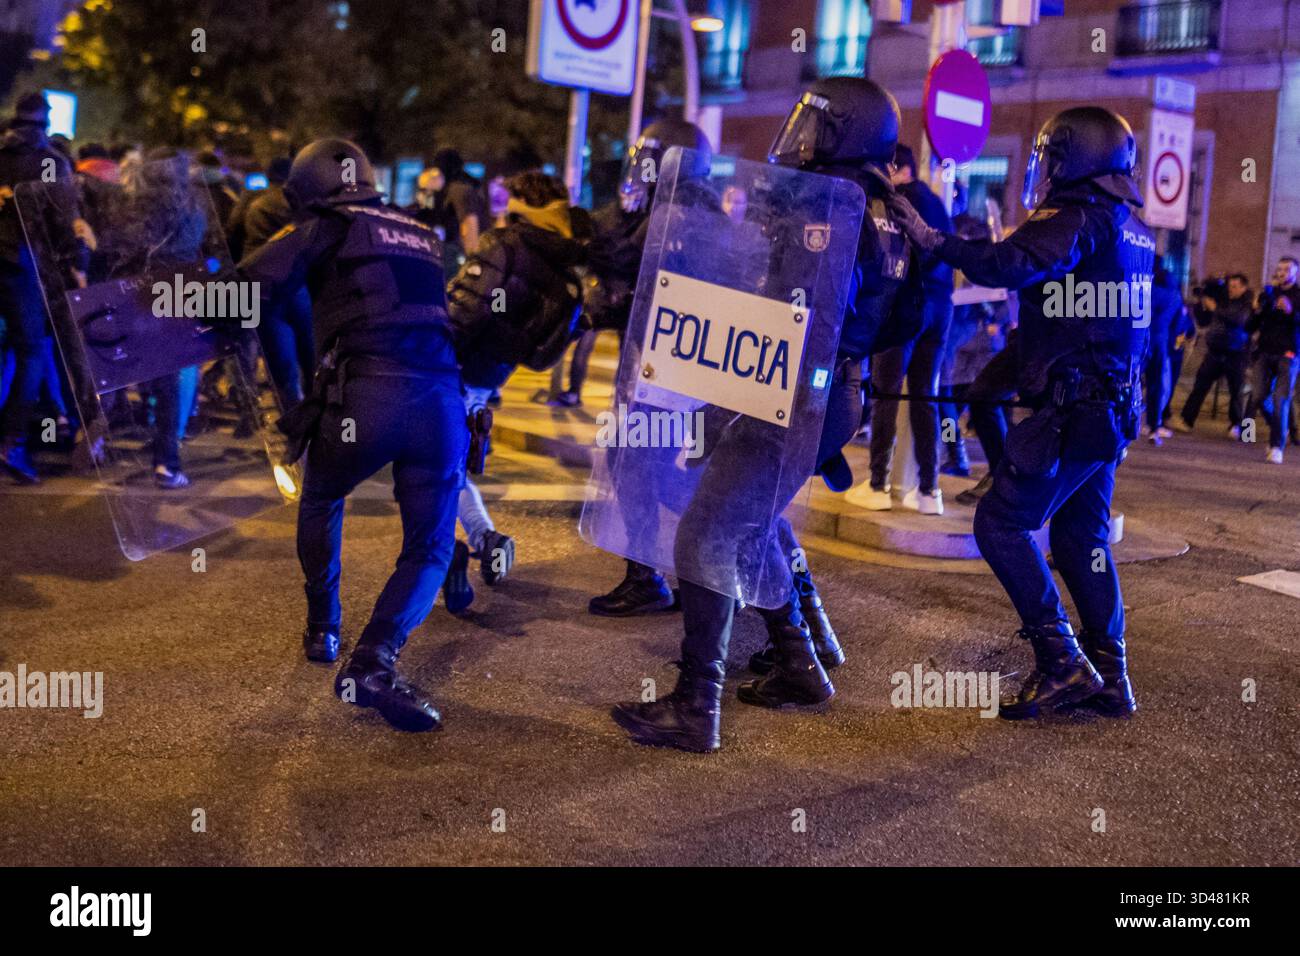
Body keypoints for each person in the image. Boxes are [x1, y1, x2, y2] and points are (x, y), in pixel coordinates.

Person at [612, 79, 919, 752]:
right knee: (753, 524)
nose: (802, 136)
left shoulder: (829, 212)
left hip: (795, 397)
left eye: (817, 125)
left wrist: (738, 401)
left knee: (705, 537)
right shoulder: (883, 211)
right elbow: (913, 314)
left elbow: (797, 322)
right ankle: (802, 663)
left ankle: (697, 708)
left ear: (848, 132)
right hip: (835, 393)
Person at [890, 105, 1152, 720]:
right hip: (1107, 415)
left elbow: (1011, 264)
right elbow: (1077, 320)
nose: (1048, 169)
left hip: (1076, 412)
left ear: (1079, 159)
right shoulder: (1130, 227)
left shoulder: (1078, 218)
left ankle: (1062, 662)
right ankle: (1110, 675)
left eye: (1055, 157)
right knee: (1080, 534)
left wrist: (936, 242)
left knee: (1000, 525)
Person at [239, 138, 468, 733]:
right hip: (442, 402)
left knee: (321, 496)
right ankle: (373, 662)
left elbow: (249, 287)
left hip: (368, 395)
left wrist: (174, 309)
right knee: (431, 547)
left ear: (309, 190)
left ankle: (324, 627)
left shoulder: (326, 225)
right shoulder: (420, 231)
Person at [440, 170, 589, 609]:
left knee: (426, 471)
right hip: (488, 379)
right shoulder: (566, 267)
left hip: (451, 368)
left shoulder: (502, 245)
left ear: (523, 204)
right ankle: (487, 539)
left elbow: (464, 310)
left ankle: (447, 554)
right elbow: (545, 351)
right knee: (451, 471)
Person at [584, 117, 713, 619]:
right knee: (638, 464)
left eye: (648, 158)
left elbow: (617, 254)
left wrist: (579, 231)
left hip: (668, 378)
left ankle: (677, 572)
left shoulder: (679, 215)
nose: (640, 168)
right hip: (663, 373)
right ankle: (677, 572)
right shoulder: (683, 210)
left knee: (642, 468)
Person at [859, 144, 953, 514]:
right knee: (924, 397)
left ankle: (878, 483)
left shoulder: (896, 203)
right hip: (940, 307)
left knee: (887, 393)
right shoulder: (938, 206)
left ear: (897, 168)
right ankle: (930, 491)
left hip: (907, 306)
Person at [0, 94, 85, 484]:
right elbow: (63, 222)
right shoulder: (51, 161)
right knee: (31, 350)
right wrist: (75, 263)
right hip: (20, 264)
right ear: (47, 121)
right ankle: (12, 442)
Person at [1175, 273, 1252, 436]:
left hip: (1236, 353)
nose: (1231, 289)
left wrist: (1215, 308)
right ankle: (1186, 419)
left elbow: (1238, 319)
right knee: (1200, 387)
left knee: (1237, 392)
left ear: (1244, 288)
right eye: (1229, 286)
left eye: (1235, 286)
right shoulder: (1222, 299)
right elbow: (1203, 319)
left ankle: (1237, 426)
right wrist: (1202, 302)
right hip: (1215, 351)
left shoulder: (1246, 303)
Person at [1245, 256, 1300, 463]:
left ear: (1295, 273)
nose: (1282, 272)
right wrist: (1257, 308)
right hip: (1264, 353)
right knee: (1258, 396)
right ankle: (1280, 427)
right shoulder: (1268, 293)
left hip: (1289, 354)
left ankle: (1276, 446)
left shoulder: (1298, 295)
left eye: (1287, 269)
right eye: (1279, 269)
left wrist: (1291, 312)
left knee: (1280, 400)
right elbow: (1250, 327)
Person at [1143, 264, 1186, 445]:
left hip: (1140, 339)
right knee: (1156, 385)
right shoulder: (1175, 297)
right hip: (1160, 342)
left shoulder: (1148, 291)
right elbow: (1178, 325)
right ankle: (1154, 427)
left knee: (1130, 380)